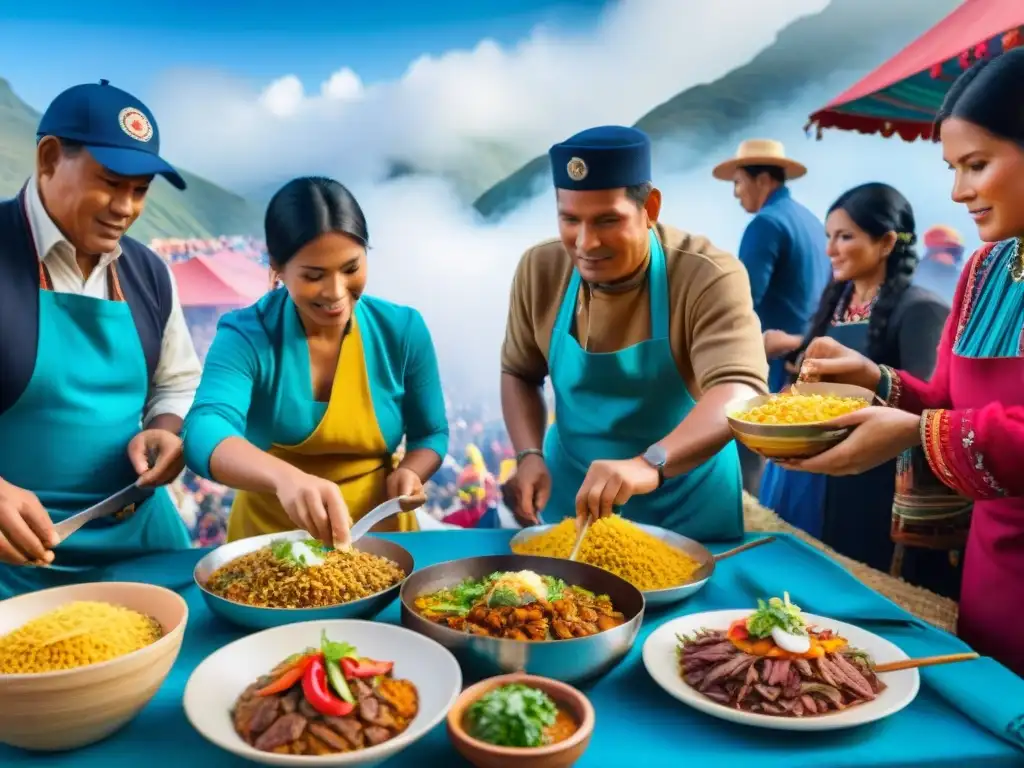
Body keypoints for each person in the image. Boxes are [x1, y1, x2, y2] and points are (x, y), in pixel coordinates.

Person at [781, 49, 1024, 676]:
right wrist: (874, 379)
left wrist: (916, 433)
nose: (958, 191)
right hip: (991, 575)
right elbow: (948, 400)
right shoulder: (984, 271)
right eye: (952, 167)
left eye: (976, 165)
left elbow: (942, 425)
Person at [501, 125, 768, 540]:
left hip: (687, 498)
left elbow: (741, 388)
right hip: (574, 493)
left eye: (608, 220)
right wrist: (529, 454)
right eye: (570, 220)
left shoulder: (706, 273)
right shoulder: (540, 270)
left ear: (651, 207)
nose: (586, 243)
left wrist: (651, 463)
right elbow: (519, 371)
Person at [0, 80, 202, 598]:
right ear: (48, 158)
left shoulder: (149, 273)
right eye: (110, 183)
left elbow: (176, 382)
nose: (126, 208)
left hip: (144, 542)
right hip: (17, 554)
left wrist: (165, 428)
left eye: (140, 191)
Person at [182, 177, 447, 546]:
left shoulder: (402, 330)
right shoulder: (247, 334)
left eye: (351, 268)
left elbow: (430, 433)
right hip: (270, 544)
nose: (336, 292)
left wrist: (411, 471)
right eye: (313, 276)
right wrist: (284, 478)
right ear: (277, 268)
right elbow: (202, 430)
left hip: (382, 539)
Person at [758, 183, 955, 592]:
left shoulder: (921, 309)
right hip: (814, 475)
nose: (831, 249)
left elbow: (927, 404)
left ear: (885, 242)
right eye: (828, 237)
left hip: (871, 483)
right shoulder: (836, 302)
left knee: (849, 587)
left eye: (845, 236)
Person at [712, 139, 830, 492]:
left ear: (762, 179)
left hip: (771, 360)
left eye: (738, 182)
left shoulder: (765, 224)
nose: (735, 194)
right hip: (807, 359)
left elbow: (741, 302)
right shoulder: (809, 220)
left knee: (748, 451)